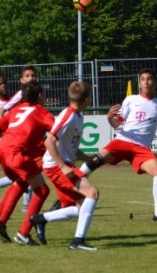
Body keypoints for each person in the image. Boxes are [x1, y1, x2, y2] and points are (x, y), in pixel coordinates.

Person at [79, 69, 157, 222]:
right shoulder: (131, 100)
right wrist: (109, 118)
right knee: (94, 161)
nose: (146, 82)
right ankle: (68, 194)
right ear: (139, 84)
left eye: (149, 79)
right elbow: (116, 124)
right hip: (123, 141)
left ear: (155, 83)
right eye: (143, 79)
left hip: (141, 148)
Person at [0, 81, 54, 244]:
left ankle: (1, 223)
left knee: (21, 182)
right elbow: (56, 134)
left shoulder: (17, 109)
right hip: (17, 153)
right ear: (40, 96)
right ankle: (24, 233)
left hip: (3, 150)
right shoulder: (43, 113)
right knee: (42, 191)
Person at [28, 81, 101, 251]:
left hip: (62, 164)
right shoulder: (69, 116)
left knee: (82, 207)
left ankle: (40, 219)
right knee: (92, 193)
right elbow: (49, 141)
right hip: (56, 166)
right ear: (87, 99)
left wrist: (86, 157)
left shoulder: (78, 116)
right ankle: (77, 242)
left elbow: (69, 146)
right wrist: (62, 167)